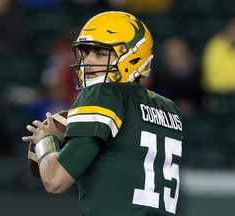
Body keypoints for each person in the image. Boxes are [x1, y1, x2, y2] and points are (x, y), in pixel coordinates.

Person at [22, 11, 183, 215]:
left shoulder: (102, 94)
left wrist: (47, 140)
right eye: (86, 52)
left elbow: (54, 180)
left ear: (133, 56)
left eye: (100, 53)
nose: (88, 61)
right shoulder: (169, 109)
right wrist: (77, 131)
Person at [143, 36, 204, 117]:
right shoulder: (157, 77)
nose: (174, 63)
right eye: (171, 58)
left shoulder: (199, 79)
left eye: (178, 58)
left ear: (187, 56)